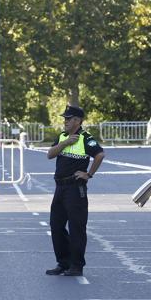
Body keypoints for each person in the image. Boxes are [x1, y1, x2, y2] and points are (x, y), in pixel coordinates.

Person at [45, 105, 104, 277]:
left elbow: (100, 154)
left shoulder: (86, 138)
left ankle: (76, 265)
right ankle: (63, 262)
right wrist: (64, 143)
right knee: (56, 225)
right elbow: (50, 154)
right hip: (60, 187)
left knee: (76, 227)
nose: (65, 122)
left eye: (68, 119)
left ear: (77, 121)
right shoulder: (63, 136)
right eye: (65, 119)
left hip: (75, 188)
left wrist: (89, 174)